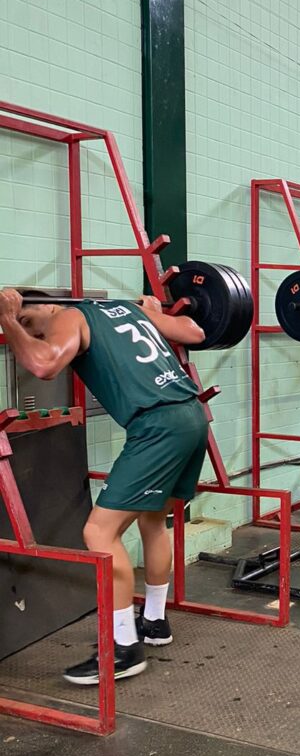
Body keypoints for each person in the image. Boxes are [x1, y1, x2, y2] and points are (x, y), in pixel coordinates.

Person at [0, 288, 208, 683]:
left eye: (31, 323)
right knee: (151, 521)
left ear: (48, 306)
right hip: (191, 415)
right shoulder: (124, 308)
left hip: (157, 428)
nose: (36, 334)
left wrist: (9, 321)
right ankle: (155, 621)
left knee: (98, 531)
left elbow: (43, 365)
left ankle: (123, 649)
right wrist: (154, 312)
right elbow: (193, 331)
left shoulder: (68, 315)